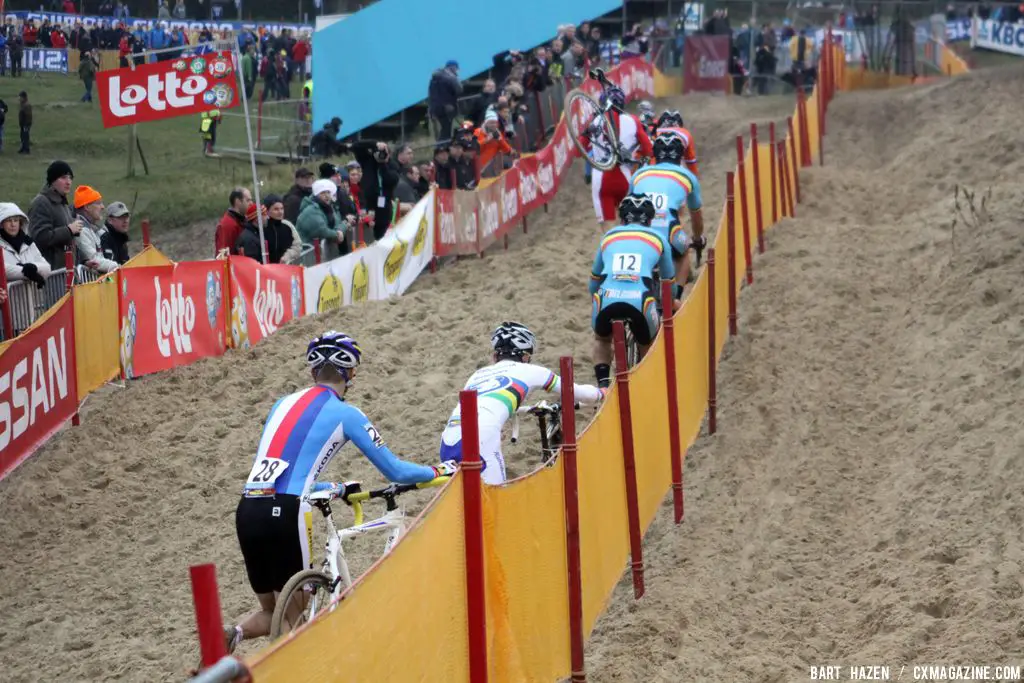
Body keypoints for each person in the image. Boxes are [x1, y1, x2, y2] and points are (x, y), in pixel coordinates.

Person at [225, 332, 458, 653]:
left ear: (312, 373)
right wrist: (439, 471)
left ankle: (232, 634)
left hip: (249, 508)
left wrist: (332, 488)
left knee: (273, 611)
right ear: (350, 374)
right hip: (287, 512)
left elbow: (283, 471)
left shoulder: (281, 404)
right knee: (295, 616)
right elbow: (396, 472)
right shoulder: (347, 413)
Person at [438, 322, 605, 485]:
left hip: (448, 440)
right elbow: (578, 393)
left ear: (495, 356)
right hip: (481, 438)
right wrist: (602, 393)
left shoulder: (477, 375)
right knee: (496, 501)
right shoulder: (531, 370)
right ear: (525, 356)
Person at [589, 195, 674, 387]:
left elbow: (593, 282)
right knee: (648, 343)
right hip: (640, 300)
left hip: (606, 298)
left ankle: (602, 386)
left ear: (622, 219)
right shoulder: (658, 238)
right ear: (650, 220)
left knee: (601, 339)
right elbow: (669, 280)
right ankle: (644, 386)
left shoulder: (609, 236)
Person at [629, 134, 705, 297]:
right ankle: (675, 297)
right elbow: (696, 217)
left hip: (636, 231)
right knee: (684, 252)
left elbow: (626, 208)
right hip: (668, 230)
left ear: (655, 154)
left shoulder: (639, 174)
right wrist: (697, 238)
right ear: (680, 155)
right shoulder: (688, 177)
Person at [579, 79, 653, 231]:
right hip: (624, 176)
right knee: (631, 225)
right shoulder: (633, 120)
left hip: (601, 179)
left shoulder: (595, 121)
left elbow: (577, 151)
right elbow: (648, 150)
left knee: (608, 231)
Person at [28, 160, 83, 269]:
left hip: (67, 272)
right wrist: (69, 230)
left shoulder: (62, 203)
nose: (68, 182)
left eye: (70, 178)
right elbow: (40, 238)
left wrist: (85, 260)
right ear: (52, 180)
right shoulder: (41, 203)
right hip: (51, 273)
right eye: (63, 177)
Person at [0, 202, 50, 290]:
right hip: (11, 300)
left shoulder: (28, 243)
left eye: (16, 220)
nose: (13, 224)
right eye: (8, 221)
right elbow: (3, 269)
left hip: (34, 301)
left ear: (20, 223)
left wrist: (33, 267)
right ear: (1, 223)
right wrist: (26, 271)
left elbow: (47, 267)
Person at [73, 185, 119, 273]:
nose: (102, 207)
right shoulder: (81, 230)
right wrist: (116, 267)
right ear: (86, 207)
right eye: (98, 203)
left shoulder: (93, 229)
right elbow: (93, 260)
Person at [654, 110, 699, 177]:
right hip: (676, 166)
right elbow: (690, 160)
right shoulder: (685, 132)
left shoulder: (654, 131)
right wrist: (695, 177)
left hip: (654, 166)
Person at [214, 188, 252, 256]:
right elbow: (223, 255)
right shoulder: (227, 225)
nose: (251, 203)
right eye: (248, 200)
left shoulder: (243, 220)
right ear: (238, 201)